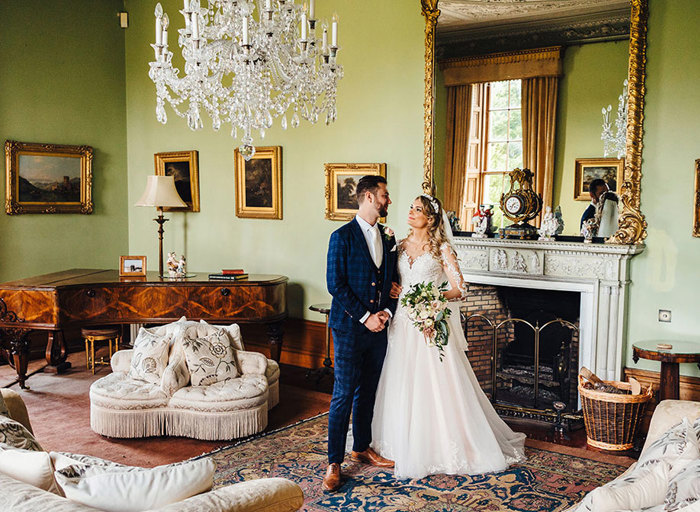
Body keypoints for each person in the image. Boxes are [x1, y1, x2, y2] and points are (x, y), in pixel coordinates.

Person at [371, 193, 526, 480]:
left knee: (436, 382)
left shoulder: (441, 248)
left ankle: (444, 444)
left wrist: (431, 299)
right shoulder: (399, 246)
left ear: (430, 218)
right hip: (403, 323)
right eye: (411, 207)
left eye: (418, 209)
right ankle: (401, 441)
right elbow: (391, 282)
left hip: (429, 322)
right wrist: (394, 290)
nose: (411, 212)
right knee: (402, 379)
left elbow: (460, 289)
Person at [323, 175, 399, 492]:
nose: (388, 200)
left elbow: (393, 284)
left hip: (379, 329)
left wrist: (387, 312)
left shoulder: (388, 236)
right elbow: (334, 284)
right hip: (349, 329)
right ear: (368, 197)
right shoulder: (341, 237)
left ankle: (362, 447)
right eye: (384, 195)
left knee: (368, 390)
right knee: (343, 394)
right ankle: (334, 462)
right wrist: (366, 316)